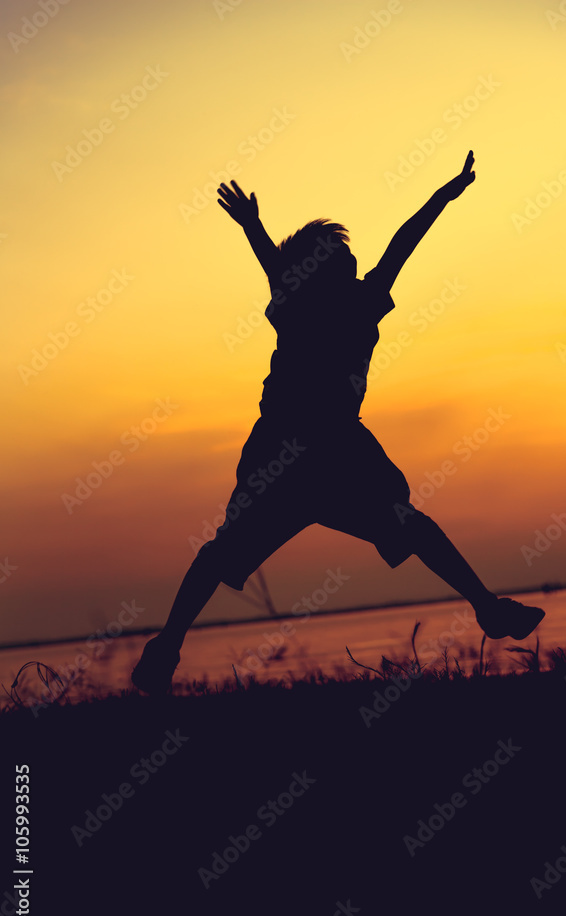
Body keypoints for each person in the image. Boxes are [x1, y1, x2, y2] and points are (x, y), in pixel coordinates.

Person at [131, 151, 544, 694]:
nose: (351, 259)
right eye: (339, 255)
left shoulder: (348, 297)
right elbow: (379, 249)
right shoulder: (320, 298)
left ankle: (487, 608)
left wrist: (443, 196)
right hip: (289, 451)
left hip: (334, 450)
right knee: (226, 552)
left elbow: (399, 243)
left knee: (405, 523)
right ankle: (167, 647)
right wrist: (255, 228)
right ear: (318, 269)